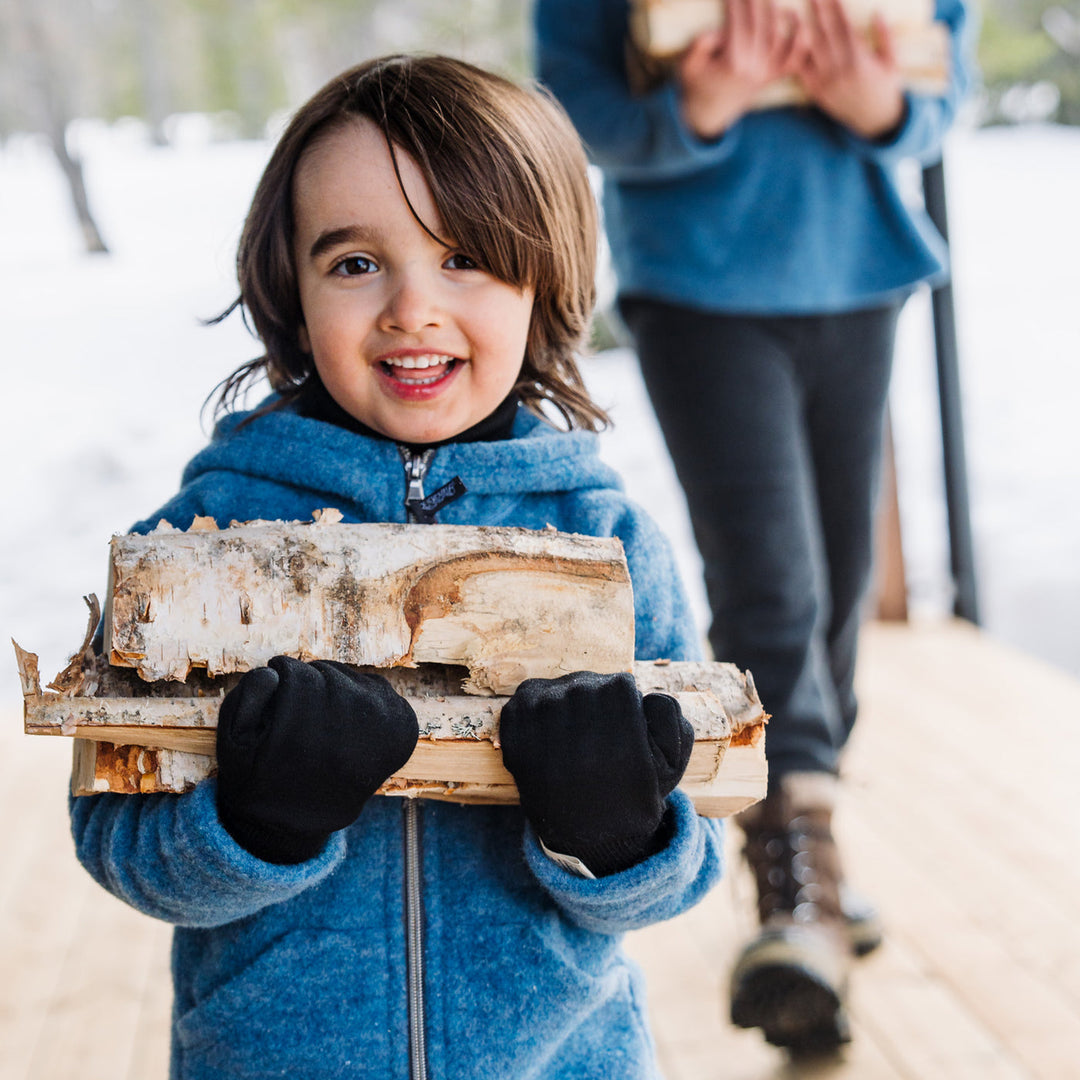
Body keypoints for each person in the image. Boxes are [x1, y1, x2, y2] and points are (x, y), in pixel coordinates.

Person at [69, 55, 725, 1079]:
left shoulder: (608, 540)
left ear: (544, 273)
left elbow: (689, 868)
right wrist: (257, 821)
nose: (411, 309)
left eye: (463, 255)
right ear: (290, 287)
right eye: (356, 263)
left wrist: (616, 834)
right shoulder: (199, 538)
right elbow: (118, 839)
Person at [535, 0, 974, 1054]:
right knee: (771, 583)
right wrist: (701, 105)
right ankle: (793, 894)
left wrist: (875, 104)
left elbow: (939, 82)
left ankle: (812, 843)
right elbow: (578, 110)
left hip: (857, 275)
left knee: (836, 581)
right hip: (701, 284)